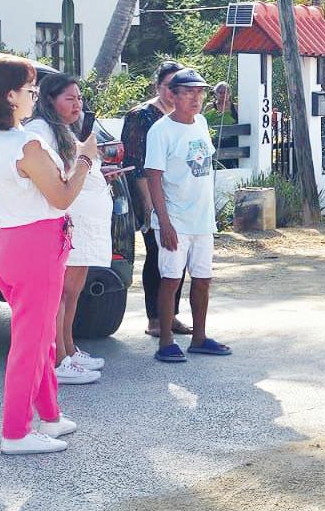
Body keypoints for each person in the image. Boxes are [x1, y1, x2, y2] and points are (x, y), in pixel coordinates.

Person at [0, 57, 100, 454]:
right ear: (10, 96)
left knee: (40, 338)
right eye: (29, 90)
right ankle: (15, 432)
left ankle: (50, 415)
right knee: (31, 343)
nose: (34, 96)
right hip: (36, 248)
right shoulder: (25, 144)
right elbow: (61, 196)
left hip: (12, 243)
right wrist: (85, 159)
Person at [26, 74, 113, 384]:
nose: (78, 105)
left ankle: (69, 348)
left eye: (79, 98)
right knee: (61, 292)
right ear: (50, 100)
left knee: (73, 290)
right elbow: (59, 174)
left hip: (87, 223)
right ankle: (59, 357)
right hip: (69, 220)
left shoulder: (63, 129)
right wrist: (86, 158)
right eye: (70, 99)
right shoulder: (40, 131)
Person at [145, 68, 229, 363]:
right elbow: (153, 178)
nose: (196, 98)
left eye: (199, 92)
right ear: (173, 95)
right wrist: (164, 222)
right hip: (175, 220)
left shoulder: (202, 122)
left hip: (202, 220)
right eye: (188, 92)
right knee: (171, 280)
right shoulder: (160, 131)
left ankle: (200, 337)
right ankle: (166, 341)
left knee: (203, 279)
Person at [123, 61, 190, 339]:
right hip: (150, 197)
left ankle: (170, 315)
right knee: (156, 256)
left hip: (179, 199)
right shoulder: (142, 116)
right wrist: (149, 206)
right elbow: (136, 165)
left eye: (180, 87)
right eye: (169, 86)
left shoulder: (185, 116)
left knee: (178, 256)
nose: (175, 93)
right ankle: (154, 318)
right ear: (157, 86)